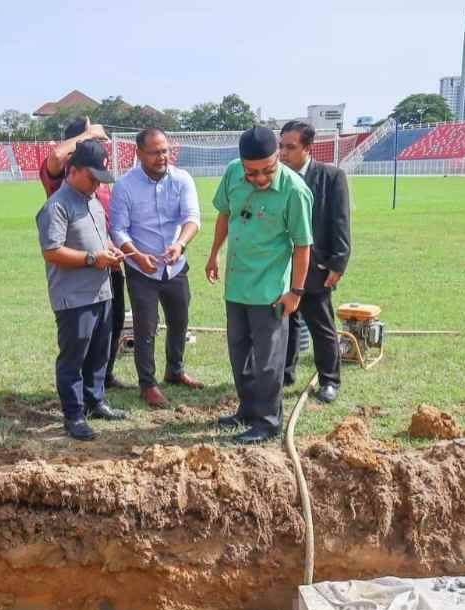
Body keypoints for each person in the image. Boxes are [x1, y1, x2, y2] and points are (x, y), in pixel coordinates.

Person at [205, 127, 313, 444]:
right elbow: (225, 214)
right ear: (241, 164)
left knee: (268, 360)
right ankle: (248, 409)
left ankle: (268, 420)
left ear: (278, 156)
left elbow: (303, 245)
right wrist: (214, 253)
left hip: (271, 290)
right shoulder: (232, 174)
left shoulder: (295, 191)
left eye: (268, 170)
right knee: (240, 353)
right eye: (252, 172)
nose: (260, 178)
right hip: (237, 283)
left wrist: (296, 292)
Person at [36, 140, 127, 441]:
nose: (95, 185)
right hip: (74, 298)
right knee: (74, 358)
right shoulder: (57, 206)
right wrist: (93, 259)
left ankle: (95, 400)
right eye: (92, 178)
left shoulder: (93, 202)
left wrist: (111, 251)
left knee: (99, 354)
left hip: (101, 292)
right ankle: (74, 415)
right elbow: (51, 251)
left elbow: (99, 241)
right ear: (72, 171)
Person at [109, 128, 203, 408]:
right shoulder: (125, 186)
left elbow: (192, 218)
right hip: (141, 270)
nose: (162, 157)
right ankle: (147, 384)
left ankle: (174, 371)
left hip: (175, 267)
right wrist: (136, 256)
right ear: (139, 154)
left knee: (179, 321)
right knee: (145, 327)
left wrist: (181, 245)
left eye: (165, 151)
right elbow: (118, 229)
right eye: (155, 152)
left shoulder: (182, 179)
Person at [279, 121, 352, 403]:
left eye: (291, 147)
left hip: (316, 266)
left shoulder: (331, 177)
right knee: (286, 320)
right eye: (281, 146)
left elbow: (341, 222)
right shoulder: (277, 178)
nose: (283, 153)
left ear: (308, 148)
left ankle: (329, 380)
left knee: (320, 323)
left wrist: (338, 263)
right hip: (282, 265)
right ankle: (285, 373)